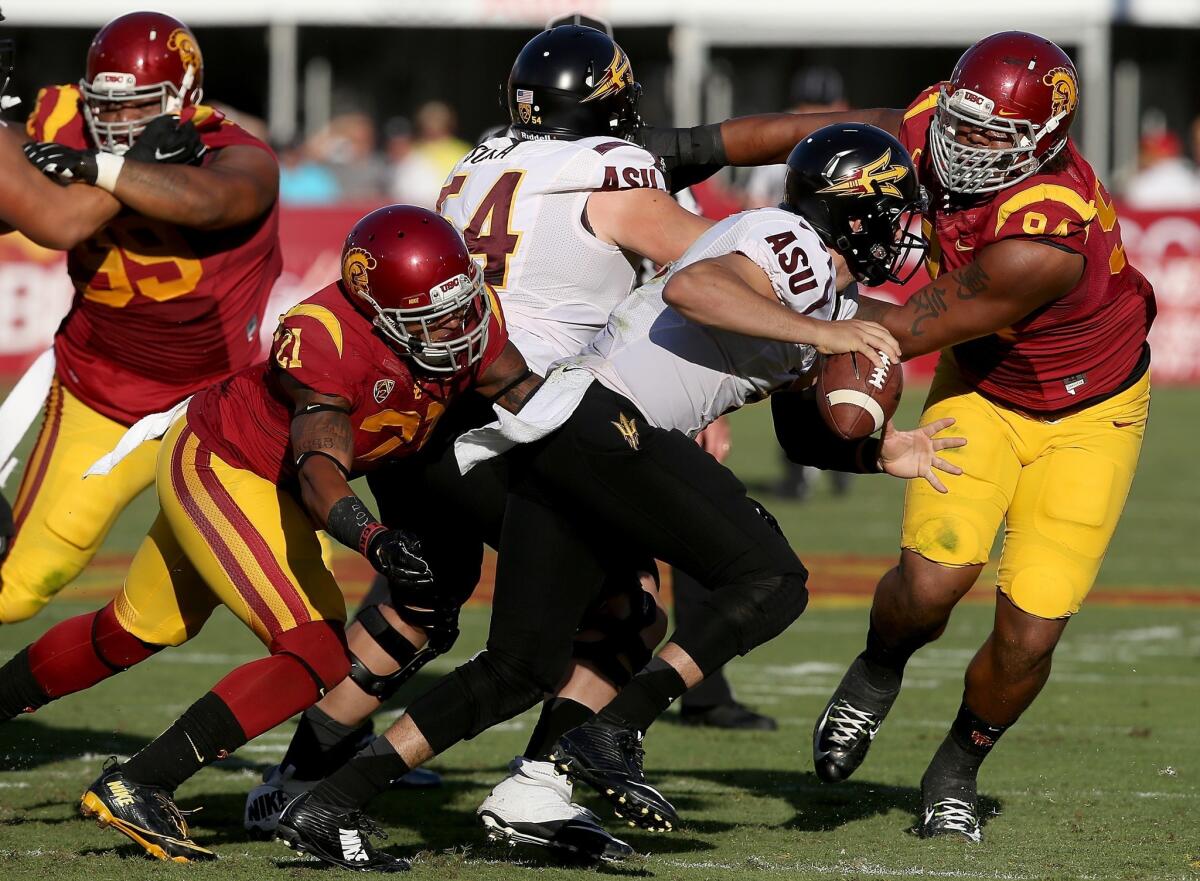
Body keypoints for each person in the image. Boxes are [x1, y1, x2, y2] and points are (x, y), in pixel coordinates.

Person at [272, 124, 965, 871]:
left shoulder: (821, 290)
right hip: (606, 426)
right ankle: (611, 730)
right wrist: (821, 335)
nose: (901, 232)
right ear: (852, 211)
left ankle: (338, 799)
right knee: (773, 578)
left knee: (525, 663)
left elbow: (801, 432)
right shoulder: (788, 240)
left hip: (566, 431)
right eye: (892, 212)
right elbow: (695, 288)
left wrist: (877, 448)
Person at [0, 206, 536, 864]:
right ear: (376, 311)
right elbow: (318, 469)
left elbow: (528, 396)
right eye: (432, 316)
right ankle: (137, 782)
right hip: (227, 464)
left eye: (460, 305)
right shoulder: (325, 334)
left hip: (266, 483)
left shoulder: (471, 319)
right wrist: (371, 539)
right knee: (314, 652)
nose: (458, 327)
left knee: (139, 626)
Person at [805, 32, 1155, 842]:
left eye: (994, 136)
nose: (965, 146)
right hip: (986, 387)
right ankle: (877, 667)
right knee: (930, 586)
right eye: (963, 123)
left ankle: (958, 763)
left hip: (1092, 416)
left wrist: (771, 313)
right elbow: (830, 132)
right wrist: (697, 147)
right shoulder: (936, 124)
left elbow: (904, 327)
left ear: (1045, 143)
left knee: (1029, 634)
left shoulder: (1045, 235)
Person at [0, 11, 281, 624]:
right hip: (99, 394)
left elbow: (214, 203)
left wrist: (94, 170)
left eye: (138, 107)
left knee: (188, 614)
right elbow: (21, 202)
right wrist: (42, 170)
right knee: (16, 589)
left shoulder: (236, 153)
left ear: (182, 98)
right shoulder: (58, 117)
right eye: (104, 104)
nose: (115, 120)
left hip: (214, 411)